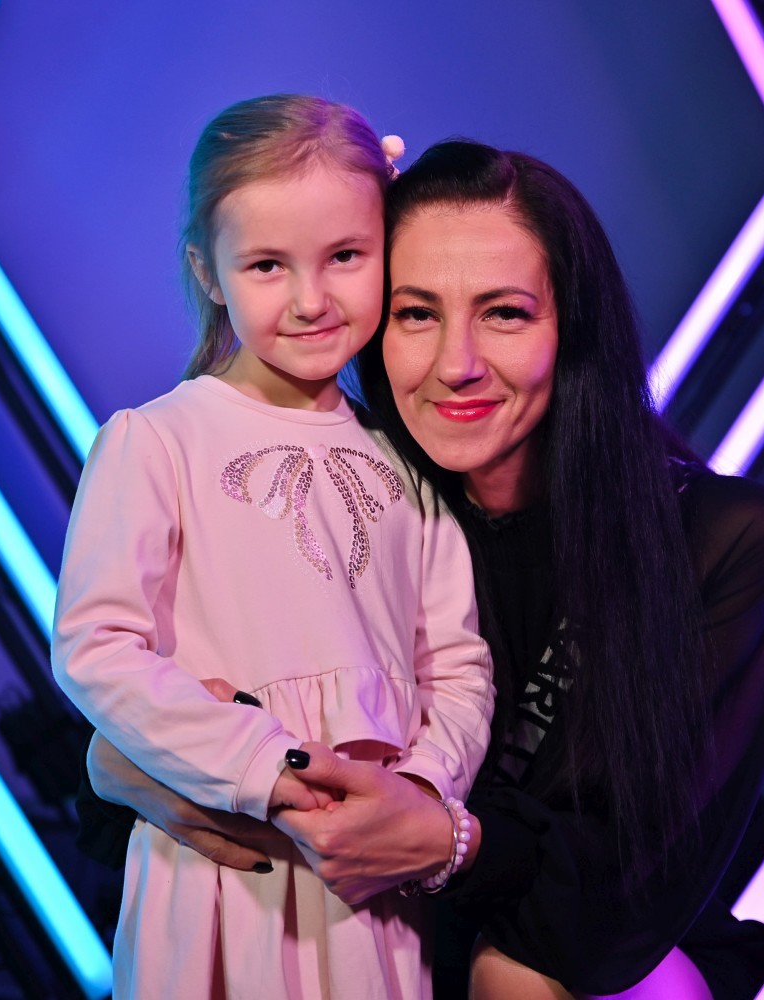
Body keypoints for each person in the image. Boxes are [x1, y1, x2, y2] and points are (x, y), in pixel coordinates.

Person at [78, 139, 764, 999]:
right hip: (366, 944)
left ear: (572, 327)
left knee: (518, 978)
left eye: (505, 313)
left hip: (600, 960)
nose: (456, 365)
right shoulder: (356, 502)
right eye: (416, 313)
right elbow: (138, 723)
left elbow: (622, 900)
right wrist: (126, 765)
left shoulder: (721, 539)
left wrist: (442, 840)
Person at [53, 98, 494, 999]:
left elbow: (456, 664)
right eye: (266, 265)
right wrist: (255, 763)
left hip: (368, 881)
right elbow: (97, 646)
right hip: (222, 866)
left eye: (345, 257)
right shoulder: (157, 441)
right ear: (208, 273)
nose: (310, 299)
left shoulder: (409, 463)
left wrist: (418, 789)